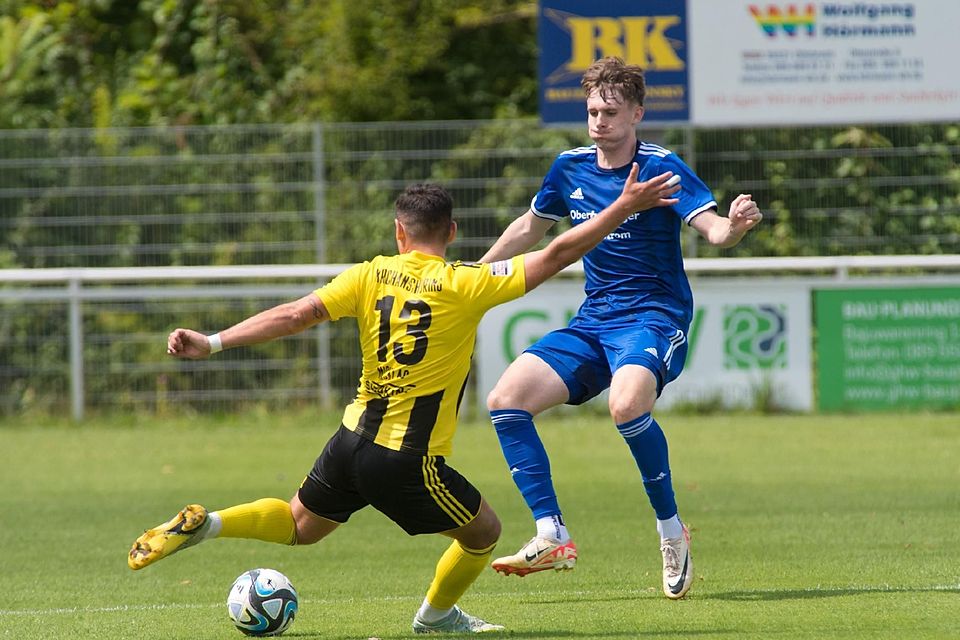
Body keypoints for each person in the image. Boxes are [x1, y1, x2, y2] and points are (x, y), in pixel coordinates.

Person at [127, 173, 681, 634]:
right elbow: (558, 250)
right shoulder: (466, 283)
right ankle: (436, 617)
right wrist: (621, 208)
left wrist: (214, 341)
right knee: (484, 533)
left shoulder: (369, 274)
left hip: (349, 440)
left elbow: (295, 314)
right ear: (453, 232)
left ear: (399, 232)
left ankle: (211, 524)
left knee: (301, 525)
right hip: (406, 458)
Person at [481, 57, 763, 599]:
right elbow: (528, 228)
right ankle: (551, 532)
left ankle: (669, 530)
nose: (598, 122)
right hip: (595, 318)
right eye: (591, 111)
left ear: (636, 112)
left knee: (626, 405)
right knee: (505, 399)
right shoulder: (568, 167)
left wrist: (737, 224)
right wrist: (472, 273)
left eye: (610, 112)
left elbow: (714, 231)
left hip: (654, 316)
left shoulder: (663, 166)